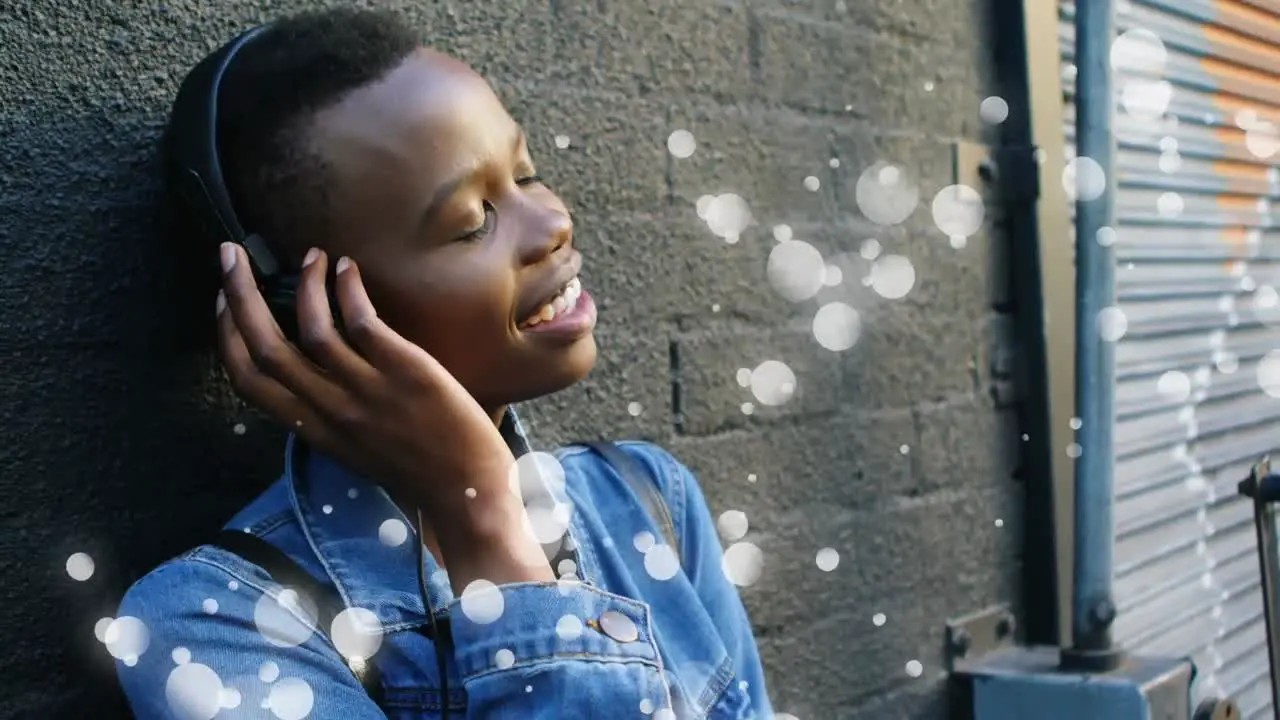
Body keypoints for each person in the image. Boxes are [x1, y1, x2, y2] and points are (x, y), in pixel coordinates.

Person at [114, 7, 774, 719]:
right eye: (472, 222)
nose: (553, 224)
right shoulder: (214, 624)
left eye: (528, 174)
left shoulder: (648, 502)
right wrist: (481, 516)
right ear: (299, 310)